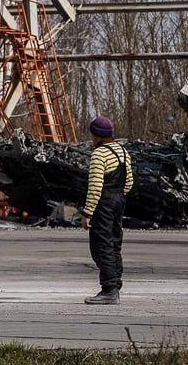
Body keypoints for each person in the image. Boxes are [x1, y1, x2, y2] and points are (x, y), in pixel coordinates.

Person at [79, 115, 133, 305]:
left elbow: (95, 187)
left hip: (104, 202)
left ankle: (109, 290)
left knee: (101, 246)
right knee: (114, 243)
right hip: (119, 200)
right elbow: (129, 182)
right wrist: (119, 197)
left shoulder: (99, 154)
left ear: (97, 135)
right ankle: (115, 284)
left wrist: (87, 213)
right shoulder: (123, 151)